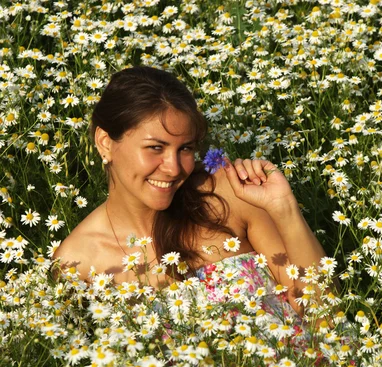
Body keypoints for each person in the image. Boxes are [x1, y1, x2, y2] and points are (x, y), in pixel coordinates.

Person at [53, 66, 327, 317]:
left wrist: (284, 208)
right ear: (105, 143)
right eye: (155, 148)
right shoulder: (78, 262)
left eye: (184, 148)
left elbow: (323, 310)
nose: (173, 168)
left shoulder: (227, 196)